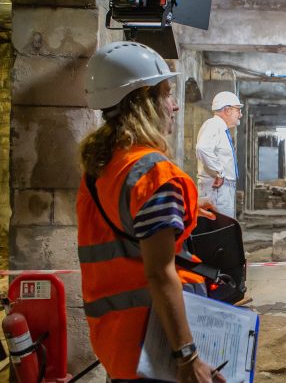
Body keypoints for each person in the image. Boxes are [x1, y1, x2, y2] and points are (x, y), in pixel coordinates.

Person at [78, 41, 225, 382]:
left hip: (116, 341)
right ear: (144, 102)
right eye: (168, 93)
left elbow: (125, 227)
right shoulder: (154, 174)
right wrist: (188, 356)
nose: (175, 106)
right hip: (156, 347)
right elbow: (160, 274)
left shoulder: (102, 166)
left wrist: (178, 212)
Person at [196, 91, 244, 219]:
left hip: (222, 190)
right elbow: (202, 148)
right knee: (218, 229)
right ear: (227, 110)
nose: (240, 114)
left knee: (224, 227)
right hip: (216, 190)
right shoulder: (213, 125)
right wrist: (219, 172)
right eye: (238, 110)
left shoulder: (220, 128)